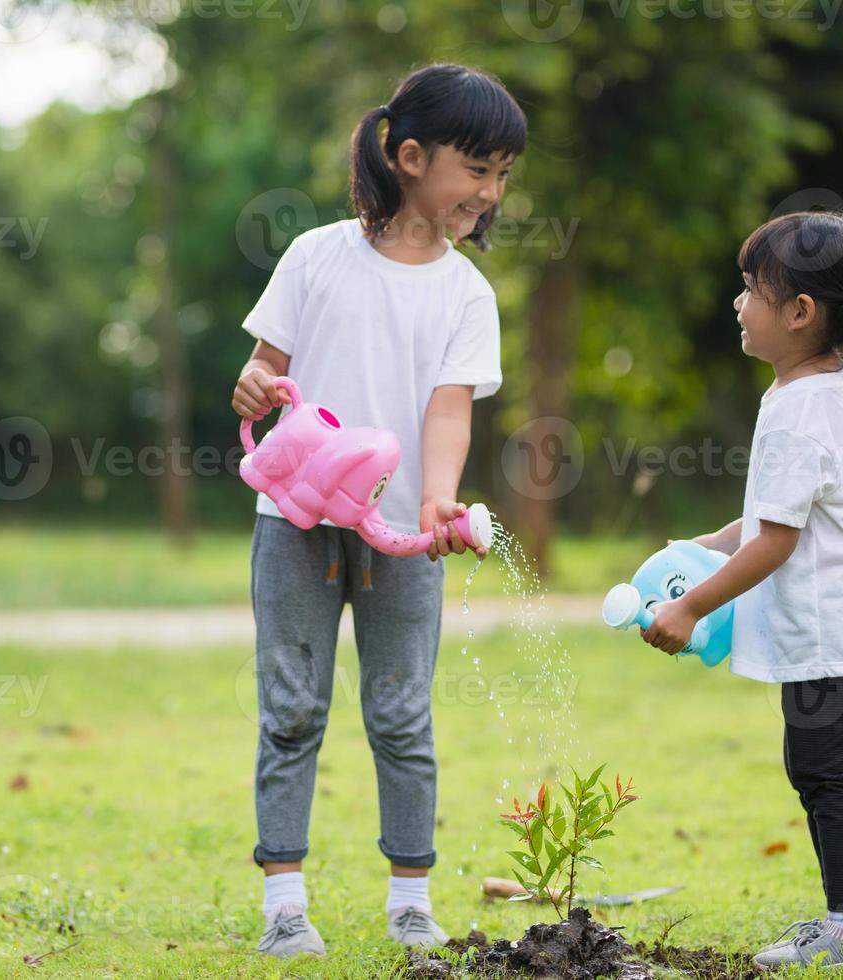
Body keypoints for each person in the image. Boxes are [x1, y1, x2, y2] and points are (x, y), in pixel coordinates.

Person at [229, 63, 525, 959]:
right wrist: (246, 388)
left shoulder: (466, 292)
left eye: (504, 174)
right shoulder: (317, 255)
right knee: (291, 708)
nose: (491, 191)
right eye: (477, 168)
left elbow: (447, 406)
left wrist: (438, 499)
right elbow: (262, 373)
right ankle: (285, 902)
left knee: (401, 715)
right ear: (407, 156)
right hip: (296, 526)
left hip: (401, 537)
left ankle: (410, 899)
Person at [640, 211, 843, 974]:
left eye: (751, 289)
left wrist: (691, 606)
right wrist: (703, 548)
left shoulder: (805, 408)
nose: (737, 304)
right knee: (817, 771)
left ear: (800, 312)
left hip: (829, 630)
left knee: (827, 775)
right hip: (831, 627)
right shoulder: (818, 392)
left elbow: (778, 541)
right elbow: (768, 519)